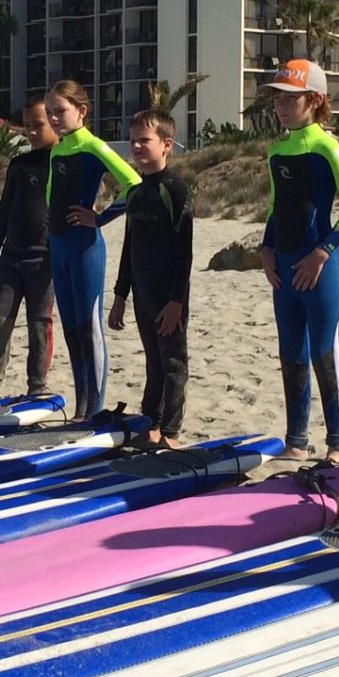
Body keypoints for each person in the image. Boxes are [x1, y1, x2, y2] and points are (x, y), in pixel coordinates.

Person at [260, 60, 339, 465]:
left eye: (291, 98)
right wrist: (267, 251)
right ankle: (297, 440)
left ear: (315, 100)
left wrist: (322, 252)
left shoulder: (326, 146)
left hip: (319, 269)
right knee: (291, 352)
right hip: (283, 268)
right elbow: (274, 208)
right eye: (277, 98)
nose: (281, 105)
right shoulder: (276, 151)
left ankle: (337, 442)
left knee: (323, 350)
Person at [44, 79, 141, 418]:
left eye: (60, 111)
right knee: (71, 328)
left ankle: (96, 410)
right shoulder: (58, 149)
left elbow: (134, 185)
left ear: (81, 111)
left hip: (85, 248)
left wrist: (99, 218)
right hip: (60, 247)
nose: (54, 118)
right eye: (50, 113)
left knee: (89, 327)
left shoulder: (93, 146)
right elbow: (51, 197)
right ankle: (82, 407)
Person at [107, 109, 193, 448]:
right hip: (142, 295)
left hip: (168, 296)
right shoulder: (137, 192)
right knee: (153, 361)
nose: (137, 147)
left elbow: (183, 252)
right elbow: (129, 249)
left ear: (167, 144)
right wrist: (119, 296)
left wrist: (177, 301)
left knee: (173, 364)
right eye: (133, 141)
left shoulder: (175, 190)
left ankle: (170, 432)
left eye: (145, 140)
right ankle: (151, 423)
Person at [0, 94, 56, 395]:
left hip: (44, 262)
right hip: (11, 258)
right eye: (27, 126)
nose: (32, 132)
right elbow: (3, 210)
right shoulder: (19, 164)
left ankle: (37, 387)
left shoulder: (63, 162)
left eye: (38, 124)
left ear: (54, 120)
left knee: (39, 326)